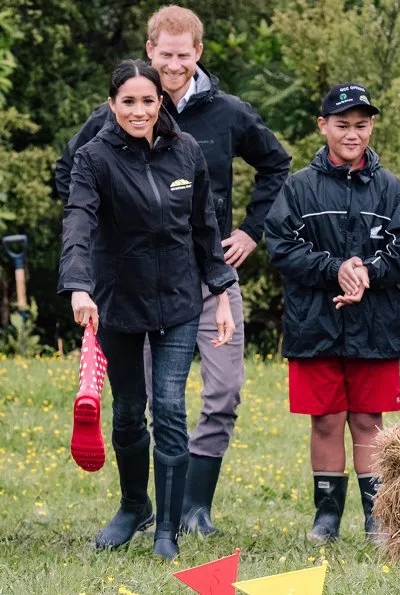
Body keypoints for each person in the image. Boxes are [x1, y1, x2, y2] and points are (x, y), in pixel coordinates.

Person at [55, 5, 291, 536]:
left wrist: (250, 233)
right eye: (165, 55)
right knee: (136, 404)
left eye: (184, 55)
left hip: (201, 279)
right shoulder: (110, 120)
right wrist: (90, 255)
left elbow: (273, 168)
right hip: (128, 286)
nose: (174, 64)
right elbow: (74, 189)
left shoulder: (224, 116)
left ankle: (191, 509)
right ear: (149, 53)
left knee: (214, 392)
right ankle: (140, 506)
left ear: (198, 54)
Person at [58, 59, 237, 559]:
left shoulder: (186, 154)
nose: (140, 111)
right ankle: (134, 506)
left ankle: (167, 532)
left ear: (162, 102)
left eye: (148, 100)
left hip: (179, 300)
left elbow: (206, 227)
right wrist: (78, 286)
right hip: (117, 300)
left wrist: (220, 295)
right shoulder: (93, 159)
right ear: (113, 104)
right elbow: (78, 221)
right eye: (129, 101)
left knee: (170, 407)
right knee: (129, 413)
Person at [265, 83, 400, 542]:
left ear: (371, 126)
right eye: (342, 125)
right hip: (314, 323)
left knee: (369, 421)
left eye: (361, 125)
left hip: (376, 324)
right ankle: (327, 518)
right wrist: (337, 269)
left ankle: (377, 518)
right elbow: (281, 247)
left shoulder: (389, 187)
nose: (352, 134)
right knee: (326, 420)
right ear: (323, 126)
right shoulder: (298, 187)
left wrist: (366, 274)